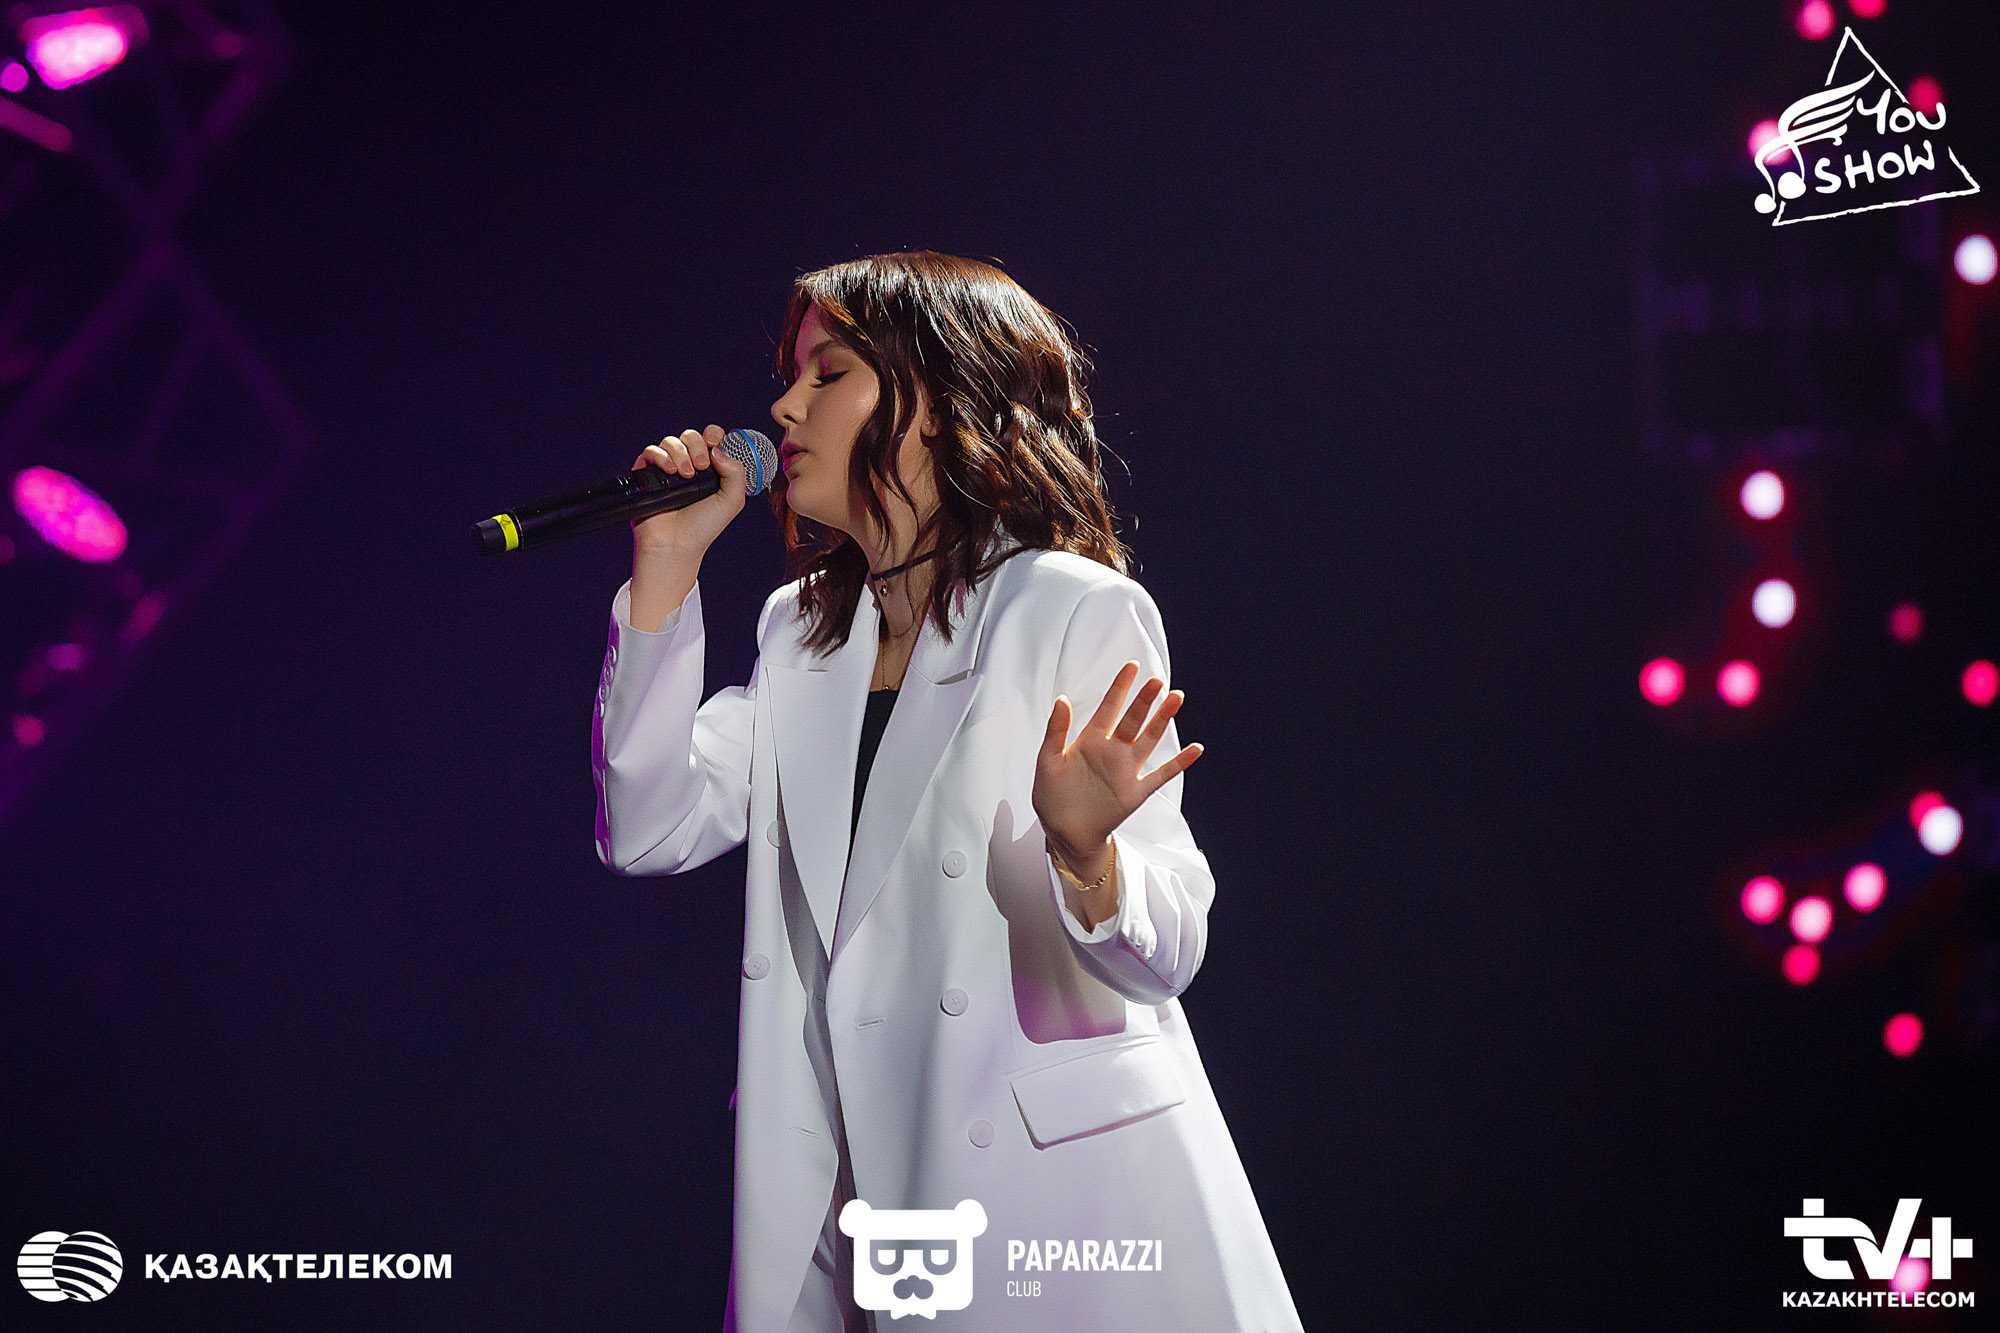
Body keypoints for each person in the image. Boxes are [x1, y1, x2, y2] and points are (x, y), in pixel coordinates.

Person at [592, 251, 1301, 1332]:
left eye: (829, 373)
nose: (785, 406)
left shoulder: (1067, 607)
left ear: (938, 399)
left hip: (1054, 1214)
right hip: (850, 1207)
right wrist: (665, 563)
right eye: (793, 377)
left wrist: (1090, 858)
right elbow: (645, 828)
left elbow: (1171, 948)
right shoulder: (800, 635)